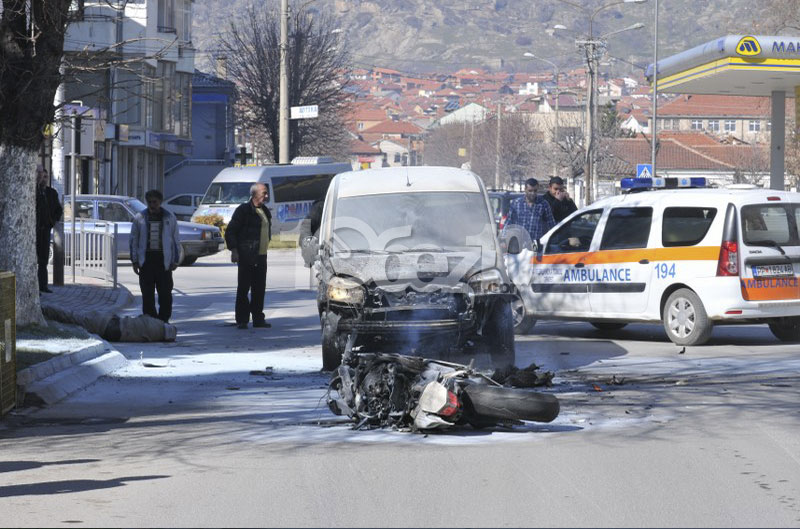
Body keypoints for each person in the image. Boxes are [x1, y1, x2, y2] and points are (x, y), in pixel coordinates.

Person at [225, 182, 272, 329]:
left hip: (261, 256)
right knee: (244, 289)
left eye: (266, 193)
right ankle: (242, 320)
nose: (267, 196)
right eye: (264, 193)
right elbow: (230, 231)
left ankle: (258, 319)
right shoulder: (243, 210)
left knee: (259, 289)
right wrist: (234, 250)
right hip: (246, 255)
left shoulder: (265, 210)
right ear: (255, 194)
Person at [130, 189, 180, 323]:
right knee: (147, 294)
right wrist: (135, 261)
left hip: (163, 261)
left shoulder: (169, 217)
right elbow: (134, 240)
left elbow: (175, 240)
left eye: (155, 202)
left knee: (165, 294)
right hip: (146, 261)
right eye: (150, 202)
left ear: (160, 202)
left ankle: (164, 321)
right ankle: (151, 322)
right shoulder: (140, 218)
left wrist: (175, 260)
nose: (152, 205)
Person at [35, 166, 63, 293]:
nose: (43, 179)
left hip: (45, 230)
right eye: (41, 176)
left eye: (45, 176)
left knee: (43, 260)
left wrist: (51, 222)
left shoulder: (51, 193)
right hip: (34, 230)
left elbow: (58, 210)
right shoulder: (34, 191)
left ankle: (43, 285)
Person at [504, 177, 556, 243]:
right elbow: (508, 222)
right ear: (525, 190)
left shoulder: (543, 204)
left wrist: (553, 240)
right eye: (530, 191)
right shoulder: (516, 203)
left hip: (536, 243)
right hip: (519, 242)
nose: (533, 193)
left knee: (535, 250)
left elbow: (551, 224)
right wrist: (503, 239)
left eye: (535, 191)